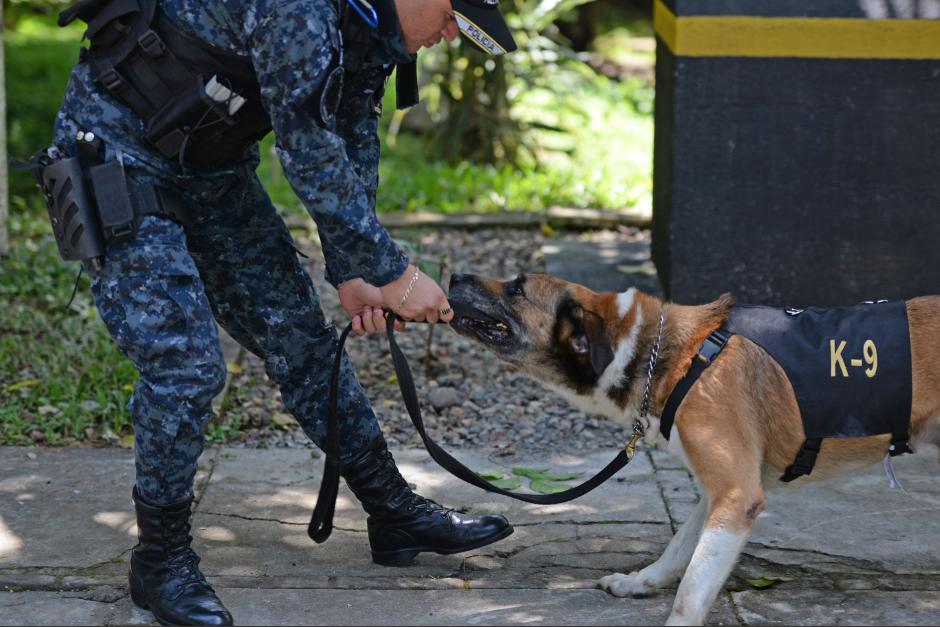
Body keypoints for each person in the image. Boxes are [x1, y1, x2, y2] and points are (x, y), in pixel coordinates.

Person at [38, 0, 519, 624]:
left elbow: (349, 132)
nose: (451, 35)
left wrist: (354, 269)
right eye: (455, 17)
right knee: (184, 367)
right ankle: (159, 562)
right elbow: (308, 150)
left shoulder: (370, 21)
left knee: (302, 340)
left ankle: (393, 512)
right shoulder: (299, 6)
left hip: (209, 169)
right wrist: (395, 273)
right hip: (116, 152)